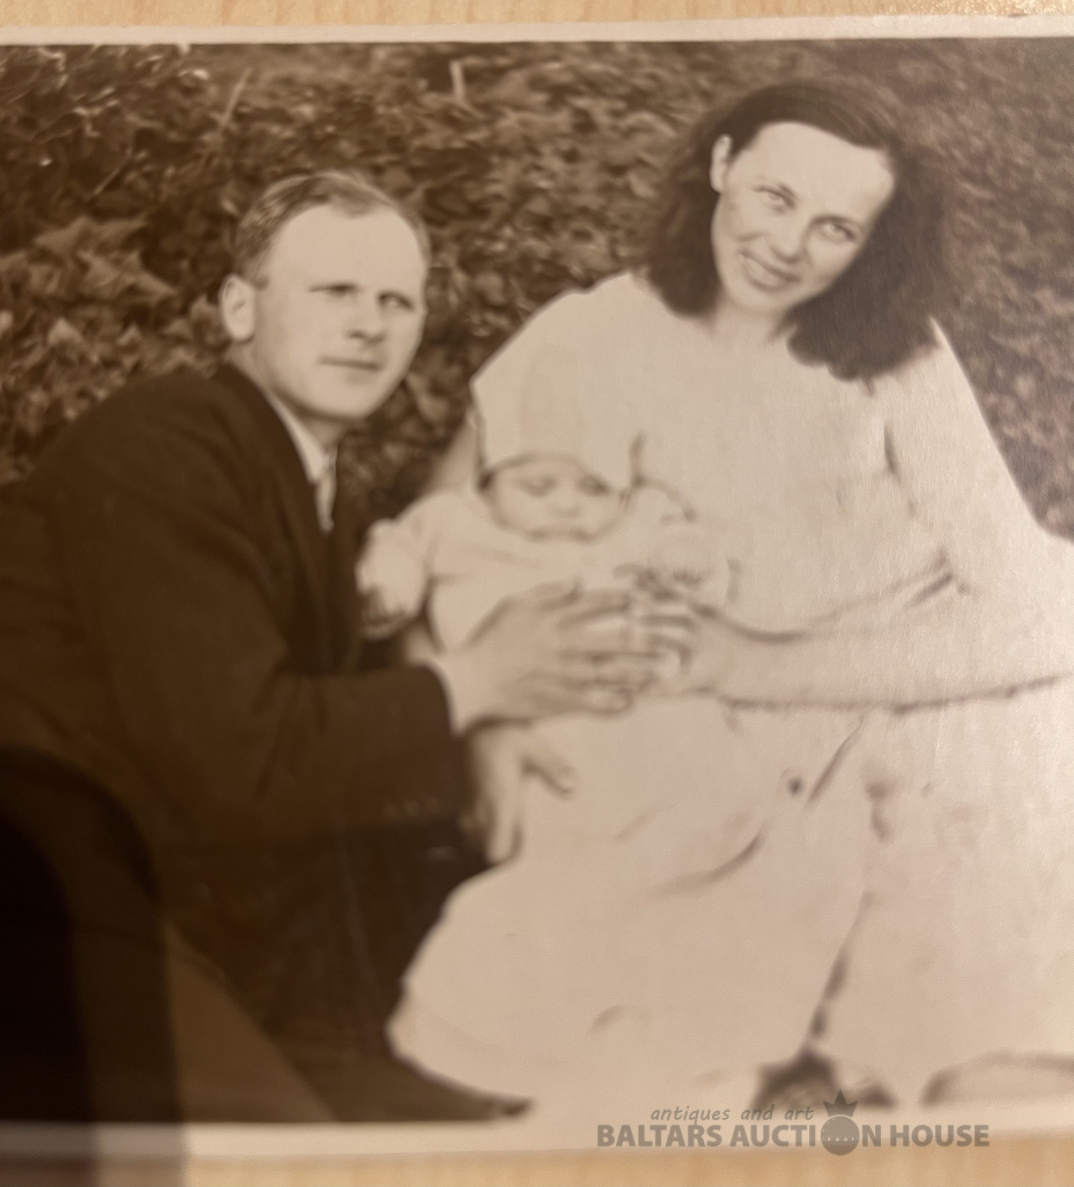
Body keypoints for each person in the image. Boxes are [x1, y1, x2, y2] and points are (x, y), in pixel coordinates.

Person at [385, 80, 1074, 1109]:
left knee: (1004, 973)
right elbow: (441, 539)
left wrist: (763, 666)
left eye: (836, 228)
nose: (788, 246)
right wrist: (481, 724)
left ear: (871, 245)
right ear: (721, 166)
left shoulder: (890, 350)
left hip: (916, 668)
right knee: (638, 965)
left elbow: (1030, 604)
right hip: (693, 713)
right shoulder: (587, 335)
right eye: (774, 197)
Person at [0, 170, 687, 1120]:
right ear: (239, 308)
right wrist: (473, 683)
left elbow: (339, 730)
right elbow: (238, 760)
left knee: (486, 1133)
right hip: (52, 906)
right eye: (334, 292)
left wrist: (483, 730)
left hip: (205, 926)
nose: (369, 325)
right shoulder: (165, 442)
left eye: (396, 302)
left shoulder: (326, 495)